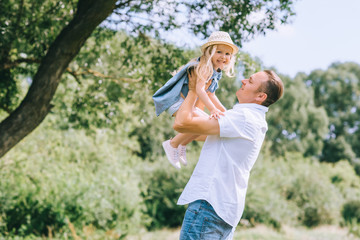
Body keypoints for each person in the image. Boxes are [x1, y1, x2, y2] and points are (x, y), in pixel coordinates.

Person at [173, 69, 284, 239]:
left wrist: (195, 90)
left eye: (251, 81)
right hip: (224, 210)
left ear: (260, 96)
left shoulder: (244, 117)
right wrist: (206, 93)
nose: (243, 80)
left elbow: (181, 124)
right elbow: (201, 132)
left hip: (209, 205)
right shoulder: (252, 119)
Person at [152, 31, 238, 169]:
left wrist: (224, 111)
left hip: (187, 102)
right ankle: (172, 144)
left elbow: (211, 94)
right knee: (206, 122)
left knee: (205, 126)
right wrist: (212, 109)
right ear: (210, 52)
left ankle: (182, 144)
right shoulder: (205, 67)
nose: (223, 57)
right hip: (177, 100)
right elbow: (199, 90)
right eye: (219, 52)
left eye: (227, 54)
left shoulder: (216, 71)